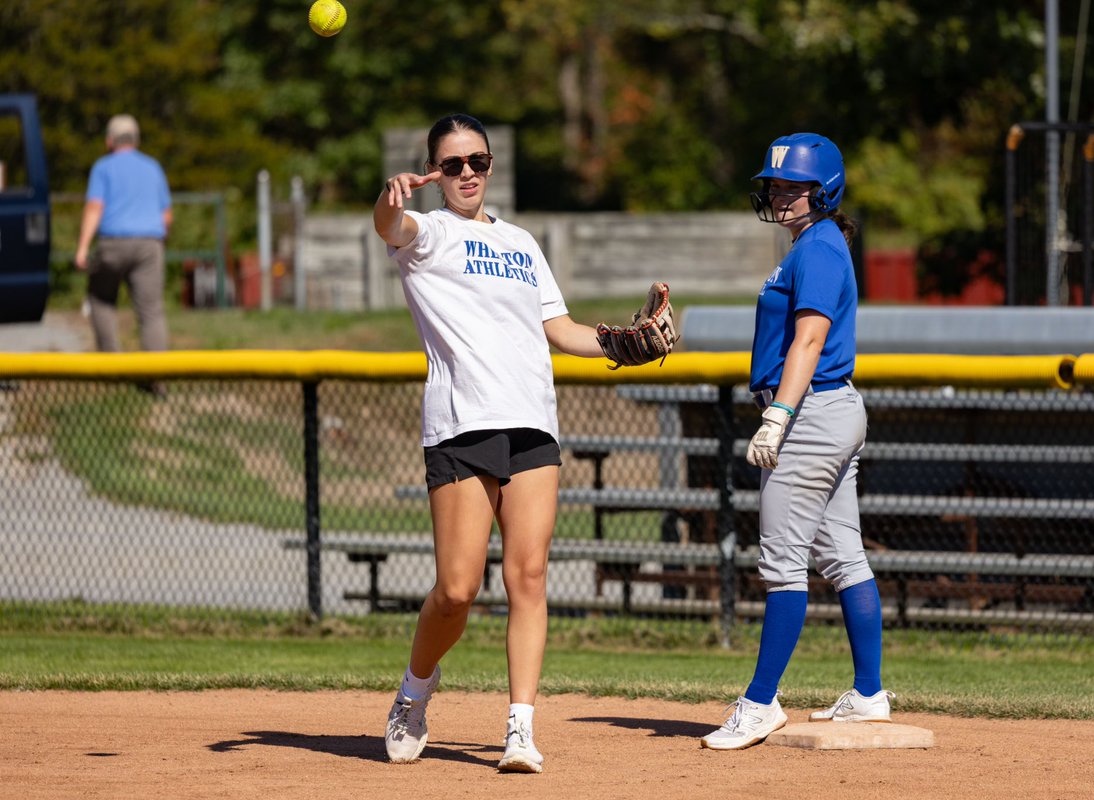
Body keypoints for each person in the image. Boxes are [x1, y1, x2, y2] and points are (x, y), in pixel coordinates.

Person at [372, 113, 673, 773]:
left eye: (477, 160)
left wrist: (622, 345)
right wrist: (390, 199)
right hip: (461, 423)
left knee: (528, 576)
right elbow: (391, 227)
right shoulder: (430, 234)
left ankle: (520, 727)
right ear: (433, 172)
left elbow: (559, 329)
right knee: (456, 589)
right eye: (452, 165)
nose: (468, 173)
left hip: (532, 421)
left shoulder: (522, 242)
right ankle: (414, 690)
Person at [701, 133, 892, 751]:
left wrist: (779, 414)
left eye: (793, 185)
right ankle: (868, 694)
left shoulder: (820, 249)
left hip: (810, 414)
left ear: (825, 191)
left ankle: (759, 705)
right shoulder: (813, 245)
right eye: (775, 184)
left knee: (782, 563)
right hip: (830, 411)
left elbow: (809, 340)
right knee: (843, 556)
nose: (779, 194)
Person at [73, 114, 172, 395]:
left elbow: (95, 208)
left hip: (113, 242)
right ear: (136, 140)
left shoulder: (103, 167)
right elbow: (166, 216)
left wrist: (82, 248)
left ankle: (113, 371)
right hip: (149, 244)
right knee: (151, 312)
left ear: (109, 141)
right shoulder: (153, 167)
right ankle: (158, 379)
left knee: (101, 300)